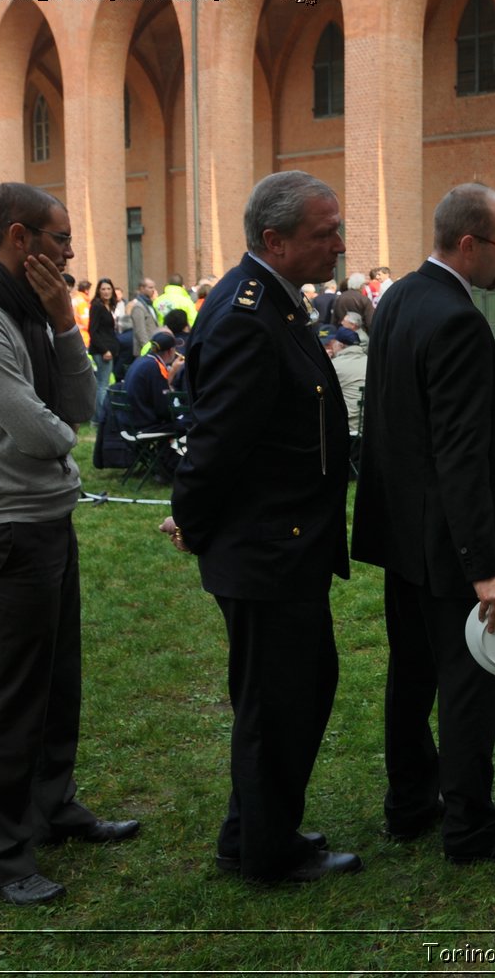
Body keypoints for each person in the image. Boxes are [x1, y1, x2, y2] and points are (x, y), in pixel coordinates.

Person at [0, 182, 139, 906]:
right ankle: (0, 852)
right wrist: (63, 443)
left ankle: (52, 807)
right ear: (20, 238)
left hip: (44, 522)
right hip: (5, 533)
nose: (72, 252)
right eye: (60, 238)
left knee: (56, 684)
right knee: (10, 701)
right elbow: (42, 431)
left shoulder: (28, 312)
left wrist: (62, 323)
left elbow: (82, 406)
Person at [353, 183, 495, 863]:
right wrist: (486, 567)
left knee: (410, 675)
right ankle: (470, 825)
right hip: (449, 549)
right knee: (469, 684)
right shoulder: (458, 319)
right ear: (469, 243)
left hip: (405, 539)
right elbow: (460, 453)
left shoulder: (400, 299)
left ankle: (410, 803)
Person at [169, 170, 359, 883]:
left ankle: (252, 832)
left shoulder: (272, 299)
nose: (338, 244)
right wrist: (194, 522)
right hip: (267, 550)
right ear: (274, 241)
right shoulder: (250, 314)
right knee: (279, 701)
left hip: (282, 544)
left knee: (289, 693)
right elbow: (214, 444)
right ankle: (267, 852)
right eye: (324, 232)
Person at [87, 277, 121, 420]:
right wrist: (104, 350)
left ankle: (97, 418)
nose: (106, 292)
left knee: (102, 383)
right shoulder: (97, 306)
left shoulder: (109, 306)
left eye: (108, 288)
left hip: (109, 349)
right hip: (102, 351)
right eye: (103, 289)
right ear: (98, 291)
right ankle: (102, 418)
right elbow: (92, 331)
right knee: (103, 384)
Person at [323, 325, 366, 436]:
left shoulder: (334, 365)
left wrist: (325, 362)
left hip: (347, 427)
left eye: (333, 344)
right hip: (369, 426)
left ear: (340, 345)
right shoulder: (371, 362)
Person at [128, 278, 159, 358]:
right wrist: (147, 348)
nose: (153, 290)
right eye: (150, 287)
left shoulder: (150, 304)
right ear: (142, 288)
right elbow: (140, 331)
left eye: (154, 287)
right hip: (144, 351)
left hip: (153, 347)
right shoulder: (138, 306)